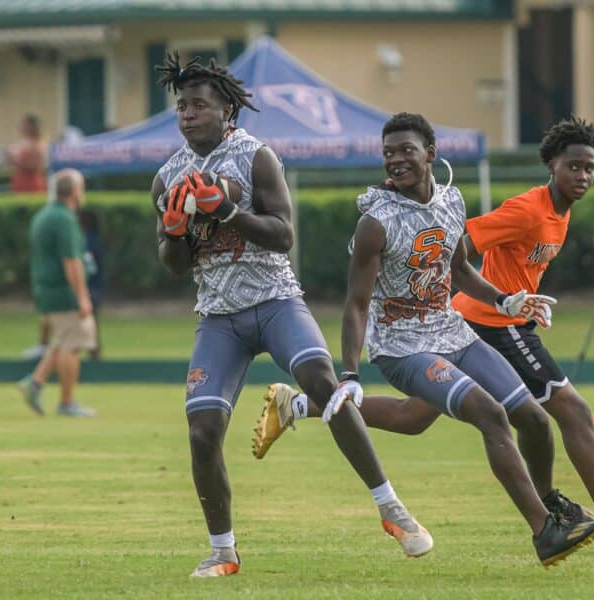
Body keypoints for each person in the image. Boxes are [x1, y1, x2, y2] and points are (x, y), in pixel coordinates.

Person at [255, 115, 594, 553]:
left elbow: (459, 267)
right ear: (552, 166)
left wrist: (507, 300)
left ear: (430, 155)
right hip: (406, 346)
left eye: (407, 151)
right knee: (508, 414)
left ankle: (304, 403)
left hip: (456, 331)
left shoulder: (451, 202)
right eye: (389, 153)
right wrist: (349, 373)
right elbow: (357, 304)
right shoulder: (376, 222)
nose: (397, 160)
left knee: (498, 419)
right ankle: (554, 528)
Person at [152, 54, 429, 577]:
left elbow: (283, 234)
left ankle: (393, 509)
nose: (187, 115)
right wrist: (172, 232)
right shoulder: (167, 176)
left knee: (325, 383)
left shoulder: (256, 158)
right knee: (201, 429)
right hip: (219, 317)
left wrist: (227, 211)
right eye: (181, 107)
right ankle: (223, 551)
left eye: (199, 105)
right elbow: (172, 266)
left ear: (226, 109)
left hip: (275, 301)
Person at [17, 169, 97, 417]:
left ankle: (35, 383)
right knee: (71, 346)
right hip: (63, 292)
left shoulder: (45, 215)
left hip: (46, 289)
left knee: (61, 340)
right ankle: (66, 402)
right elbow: (71, 261)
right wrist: (83, 296)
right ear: (74, 192)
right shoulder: (63, 219)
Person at [79, 209, 105, 360]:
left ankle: (92, 350)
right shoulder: (95, 239)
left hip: (89, 286)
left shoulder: (86, 241)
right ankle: (93, 349)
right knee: (92, 319)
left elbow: (89, 266)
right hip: (97, 286)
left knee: (87, 320)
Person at [8, 114, 47, 193]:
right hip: (19, 183)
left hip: (32, 185)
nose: (20, 126)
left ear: (31, 126)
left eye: (24, 124)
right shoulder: (21, 142)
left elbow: (37, 165)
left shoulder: (38, 144)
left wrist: (17, 161)